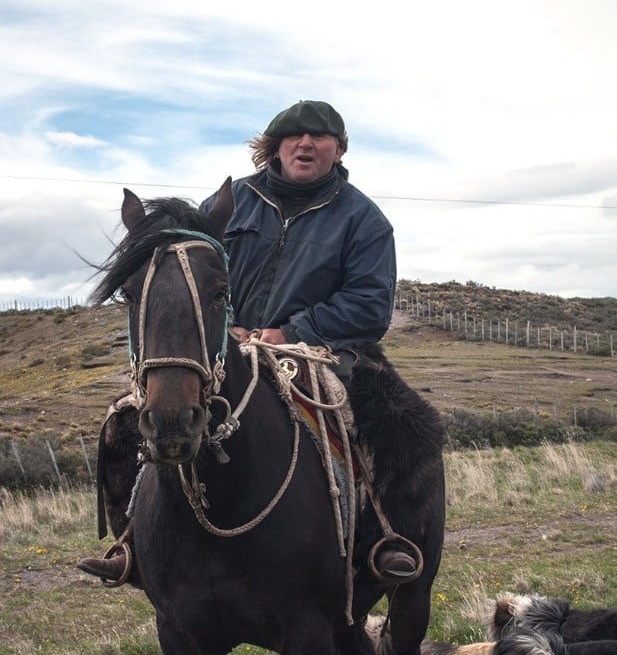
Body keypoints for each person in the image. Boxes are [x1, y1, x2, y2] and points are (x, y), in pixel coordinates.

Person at [79, 100, 428, 585]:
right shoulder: (231, 202)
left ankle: (389, 535)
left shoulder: (364, 219)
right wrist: (229, 327)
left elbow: (370, 303)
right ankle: (133, 542)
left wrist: (292, 331)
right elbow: (191, 278)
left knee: (398, 422)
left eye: (319, 137)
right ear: (274, 147)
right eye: (294, 136)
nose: (306, 144)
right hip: (226, 345)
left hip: (322, 350)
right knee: (124, 423)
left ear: (339, 149)